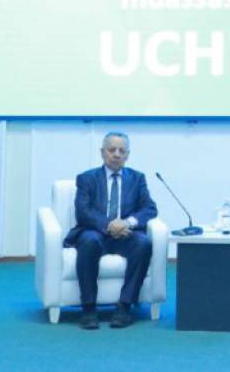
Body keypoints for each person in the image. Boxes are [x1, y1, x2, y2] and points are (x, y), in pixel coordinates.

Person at [63, 131, 158, 330]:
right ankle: (89, 308)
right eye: (112, 149)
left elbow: (149, 208)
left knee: (144, 243)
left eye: (122, 151)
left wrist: (127, 223)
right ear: (102, 152)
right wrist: (110, 225)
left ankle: (124, 307)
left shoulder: (137, 178)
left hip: (126, 234)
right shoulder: (87, 178)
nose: (116, 154)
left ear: (128, 155)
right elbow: (83, 211)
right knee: (89, 241)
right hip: (96, 232)